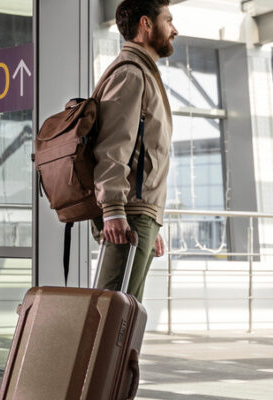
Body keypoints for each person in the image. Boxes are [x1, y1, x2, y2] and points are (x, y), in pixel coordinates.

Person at [91, 0, 177, 302]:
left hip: (140, 212)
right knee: (110, 311)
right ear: (146, 24)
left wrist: (151, 222)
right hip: (129, 210)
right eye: (168, 21)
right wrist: (114, 210)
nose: (174, 30)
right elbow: (114, 146)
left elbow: (143, 151)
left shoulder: (143, 72)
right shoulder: (130, 74)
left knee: (125, 313)